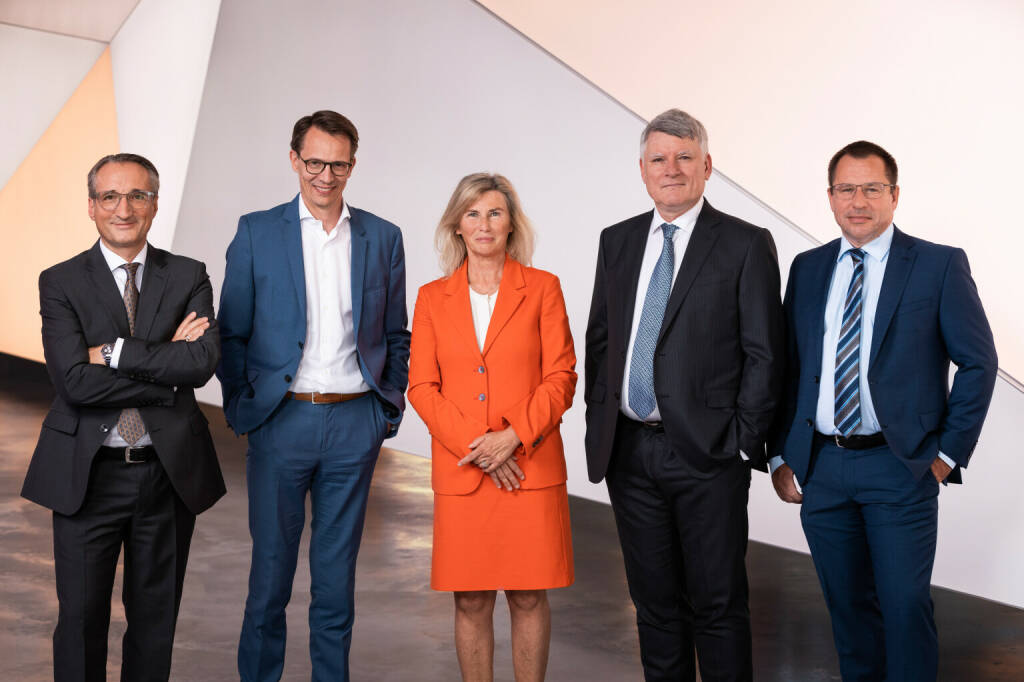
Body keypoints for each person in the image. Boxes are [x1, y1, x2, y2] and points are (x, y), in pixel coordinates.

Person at [769, 140, 998, 681]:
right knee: (848, 613)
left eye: (872, 188)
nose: (859, 201)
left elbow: (978, 362)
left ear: (895, 196)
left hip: (899, 465)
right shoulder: (808, 268)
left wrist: (946, 454)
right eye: (847, 189)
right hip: (822, 467)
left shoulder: (938, 265)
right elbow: (788, 367)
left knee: (905, 608)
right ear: (830, 197)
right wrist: (780, 453)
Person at [584, 109, 784, 682]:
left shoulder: (745, 244)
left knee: (718, 606)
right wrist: (603, 421)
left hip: (708, 456)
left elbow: (766, 354)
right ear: (642, 170)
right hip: (629, 453)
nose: (671, 169)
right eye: (659, 159)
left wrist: (740, 441)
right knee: (654, 606)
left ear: (707, 165)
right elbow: (602, 340)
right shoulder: (618, 240)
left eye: (684, 157)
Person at [217, 110, 410, 682]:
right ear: (294, 159)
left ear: (353, 165)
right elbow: (232, 332)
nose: (326, 176)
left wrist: (386, 409)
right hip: (281, 422)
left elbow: (396, 333)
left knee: (335, 583)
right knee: (269, 578)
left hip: (354, 424)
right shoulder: (257, 232)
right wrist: (245, 409)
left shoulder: (382, 236)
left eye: (339, 165)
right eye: (315, 162)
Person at [21, 153, 224, 681]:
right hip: (87, 475)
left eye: (137, 195)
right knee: (80, 621)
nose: (124, 209)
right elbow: (73, 382)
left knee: (156, 624)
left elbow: (199, 365)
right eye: (110, 196)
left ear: (154, 204)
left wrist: (112, 352)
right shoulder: (60, 280)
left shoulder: (188, 275)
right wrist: (165, 367)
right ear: (91, 206)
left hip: (167, 474)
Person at [408, 173, 576, 681]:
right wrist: (481, 447)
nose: (484, 224)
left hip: (529, 468)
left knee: (528, 596)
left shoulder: (543, 288)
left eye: (495, 213)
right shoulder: (431, 298)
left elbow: (561, 377)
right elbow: (421, 387)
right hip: (465, 471)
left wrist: (512, 438)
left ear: (511, 224)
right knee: (471, 600)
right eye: (473, 213)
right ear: (457, 225)